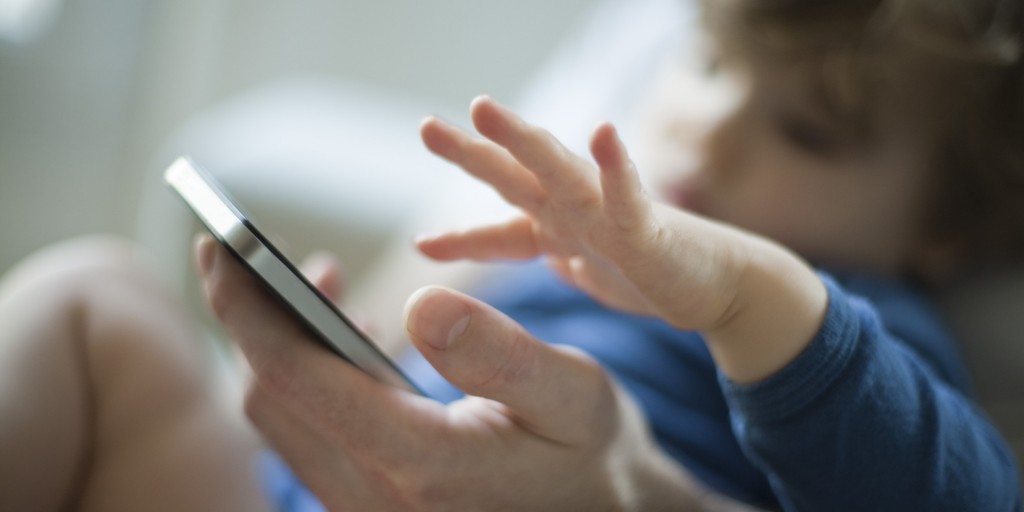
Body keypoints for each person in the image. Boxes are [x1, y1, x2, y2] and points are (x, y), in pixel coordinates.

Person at [2, 0, 1023, 510]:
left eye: (809, 131)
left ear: (940, 223)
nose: (710, 131)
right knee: (98, 302)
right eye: (707, 65)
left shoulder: (867, 337)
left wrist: (750, 292)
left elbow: (966, 493)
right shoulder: (556, 244)